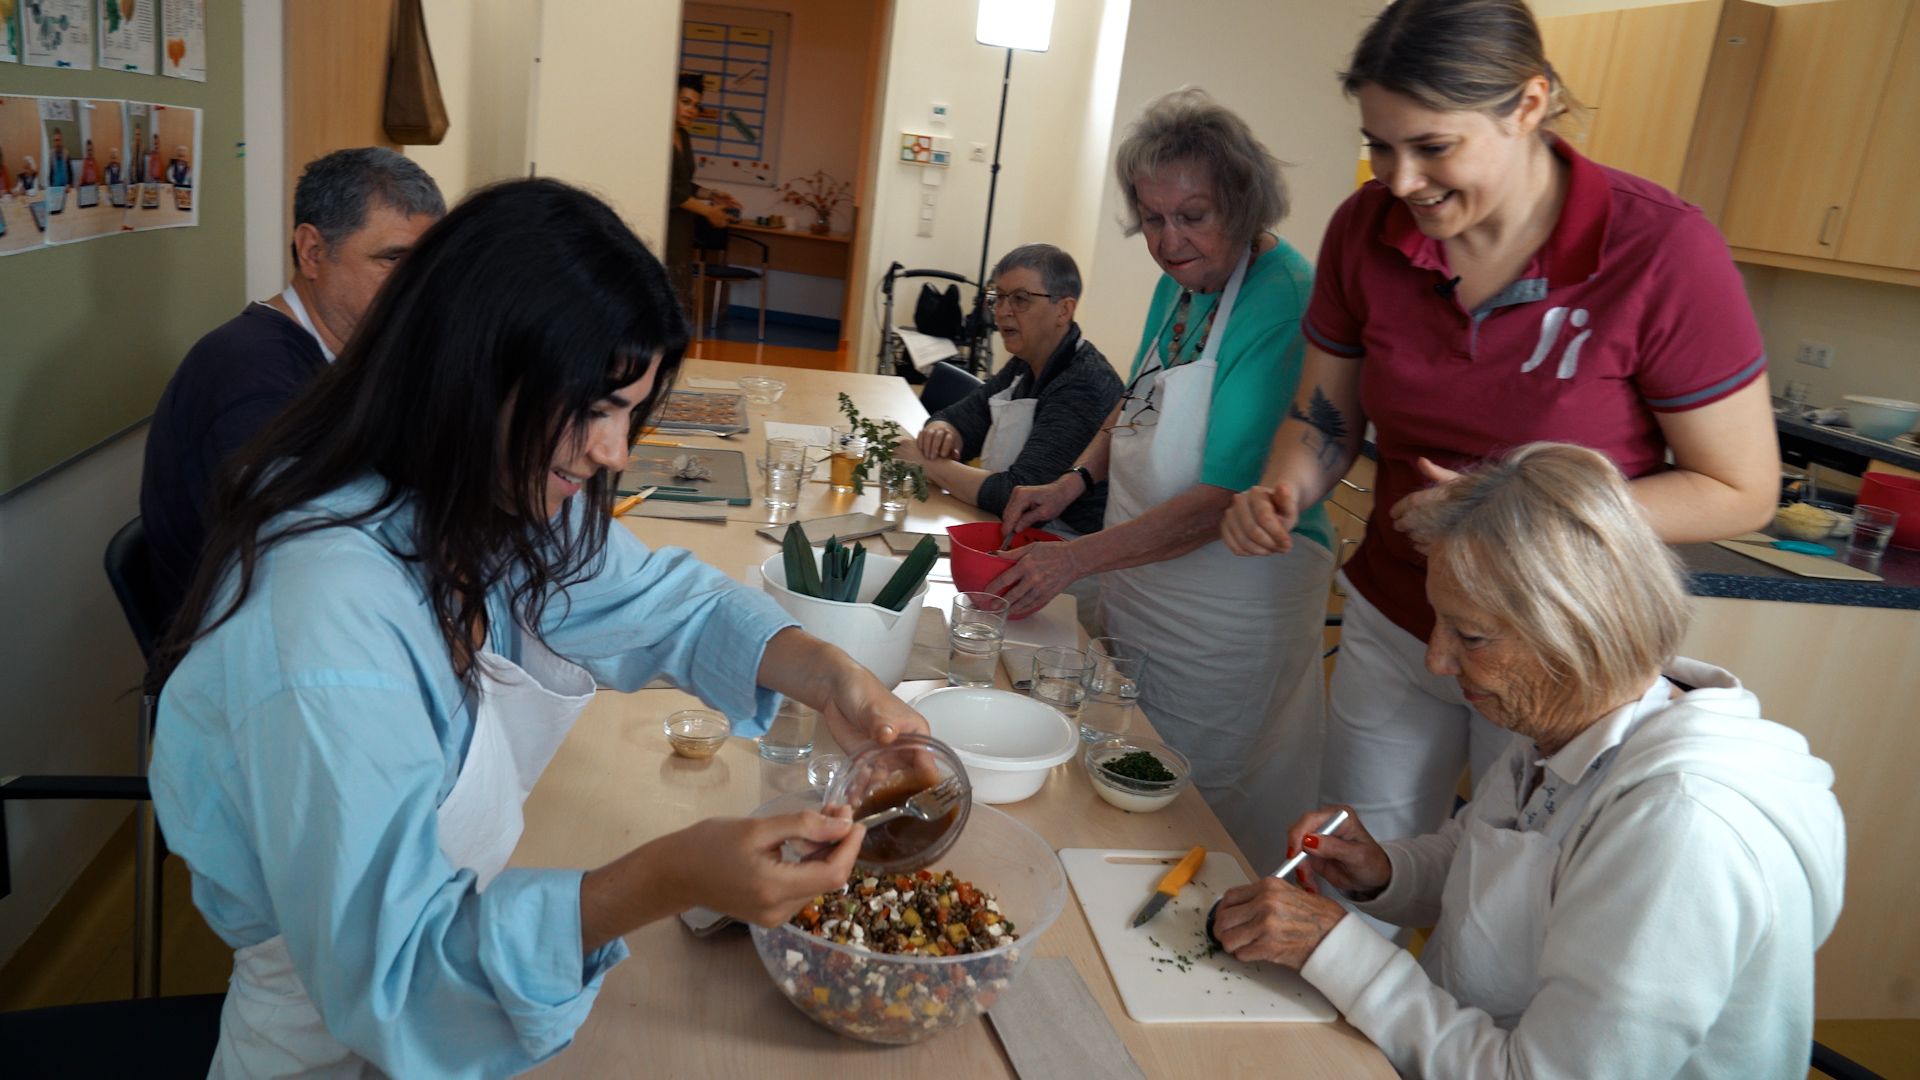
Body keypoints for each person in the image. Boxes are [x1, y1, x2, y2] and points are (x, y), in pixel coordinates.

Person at [149, 178, 924, 1077]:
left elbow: (665, 599)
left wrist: (828, 671)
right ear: (472, 369)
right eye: (593, 409)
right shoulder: (326, 617)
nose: (612, 454)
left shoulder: (478, 494)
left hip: (470, 969)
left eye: (630, 413)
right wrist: (666, 877)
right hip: (343, 1038)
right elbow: (391, 979)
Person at [1222, 0, 1777, 847]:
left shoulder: (1661, 250)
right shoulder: (1364, 231)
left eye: (1433, 147)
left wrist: (1512, 509)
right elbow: (1323, 411)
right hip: (1398, 615)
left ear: (1527, 106)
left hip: (1558, 645)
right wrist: (1281, 486)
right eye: (1380, 145)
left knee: (1508, 908)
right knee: (1355, 861)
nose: (1400, 181)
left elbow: (1740, 489)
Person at [1211, 443, 1843, 1079]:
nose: (1437, 659)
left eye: (1471, 635)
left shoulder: (1682, 827)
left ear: (1578, 627)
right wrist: (1382, 872)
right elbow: (1482, 865)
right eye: (1441, 622)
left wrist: (1332, 948)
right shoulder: (1568, 721)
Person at [991, 90, 1334, 871]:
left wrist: (1076, 557)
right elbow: (1136, 400)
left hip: (1233, 608)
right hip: (1143, 573)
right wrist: (1075, 481)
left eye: (1193, 215)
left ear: (1244, 205)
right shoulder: (1178, 286)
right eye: (1151, 218)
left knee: (1198, 794)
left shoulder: (1283, 300)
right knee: (1122, 760)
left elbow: (1219, 503)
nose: (1169, 240)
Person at [140, 148, 445, 625]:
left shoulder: (356, 353)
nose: (417, 289)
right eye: (392, 260)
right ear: (313, 252)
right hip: (241, 656)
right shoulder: (247, 373)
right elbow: (309, 560)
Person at [898, 243, 1123, 540]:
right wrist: (942, 429)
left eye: (1020, 299)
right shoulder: (1023, 364)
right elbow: (962, 417)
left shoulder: (1083, 384)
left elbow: (1016, 496)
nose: (1002, 311)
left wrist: (927, 462)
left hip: (1066, 551)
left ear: (1064, 309)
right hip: (1011, 532)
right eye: (999, 297)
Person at [665, 71, 742, 302]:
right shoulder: (658, 137)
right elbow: (669, 190)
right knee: (666, 291)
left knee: (679, 291)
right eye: (685, 102)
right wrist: (708, 211)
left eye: (696, 105)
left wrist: (712, 195)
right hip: (665, 224)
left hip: (682, 226)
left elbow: (683, 184)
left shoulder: (684, 137)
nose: (691, 110)